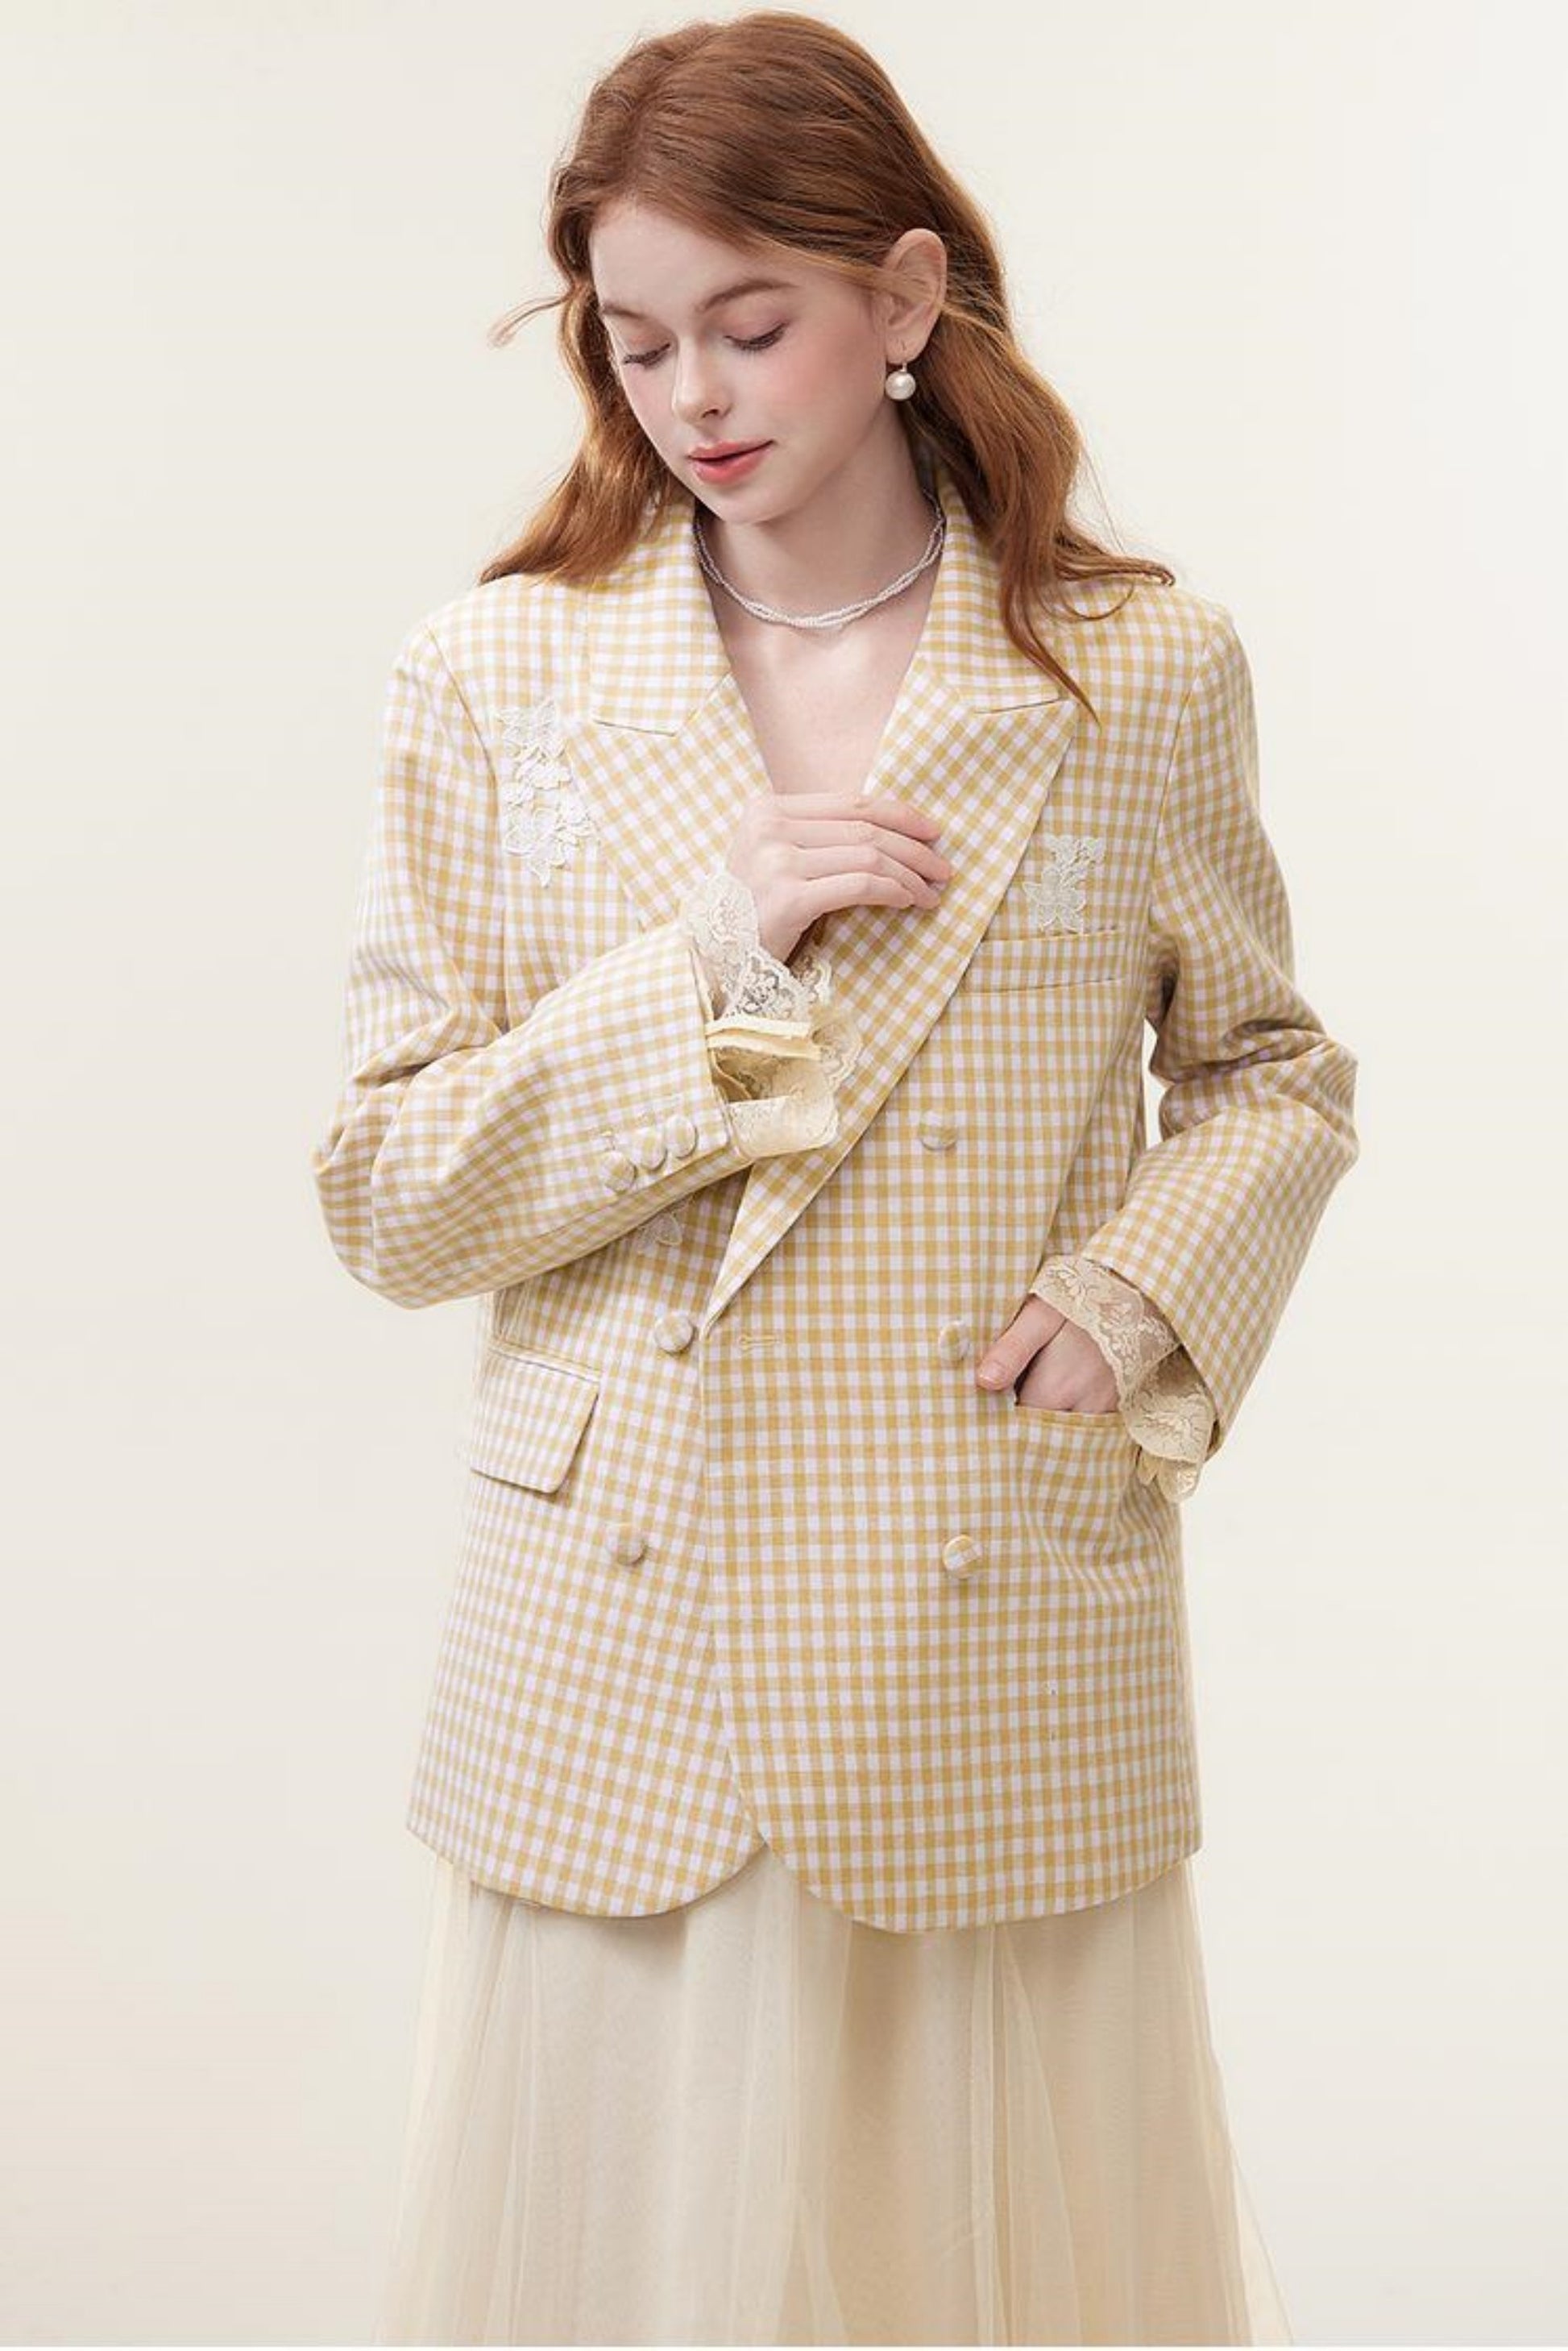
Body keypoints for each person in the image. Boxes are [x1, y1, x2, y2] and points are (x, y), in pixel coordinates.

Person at [309, 11, 1359, 2342]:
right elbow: (385, 1190)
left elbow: (1271, 1073)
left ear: (901, 296)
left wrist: (1132, 1298)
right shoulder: (494, 673)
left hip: (977, 1584)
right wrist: (706, 961)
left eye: (749, 322)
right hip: (624, 1626)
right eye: (636, 339)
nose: (691, 393)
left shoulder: (1128, 668)